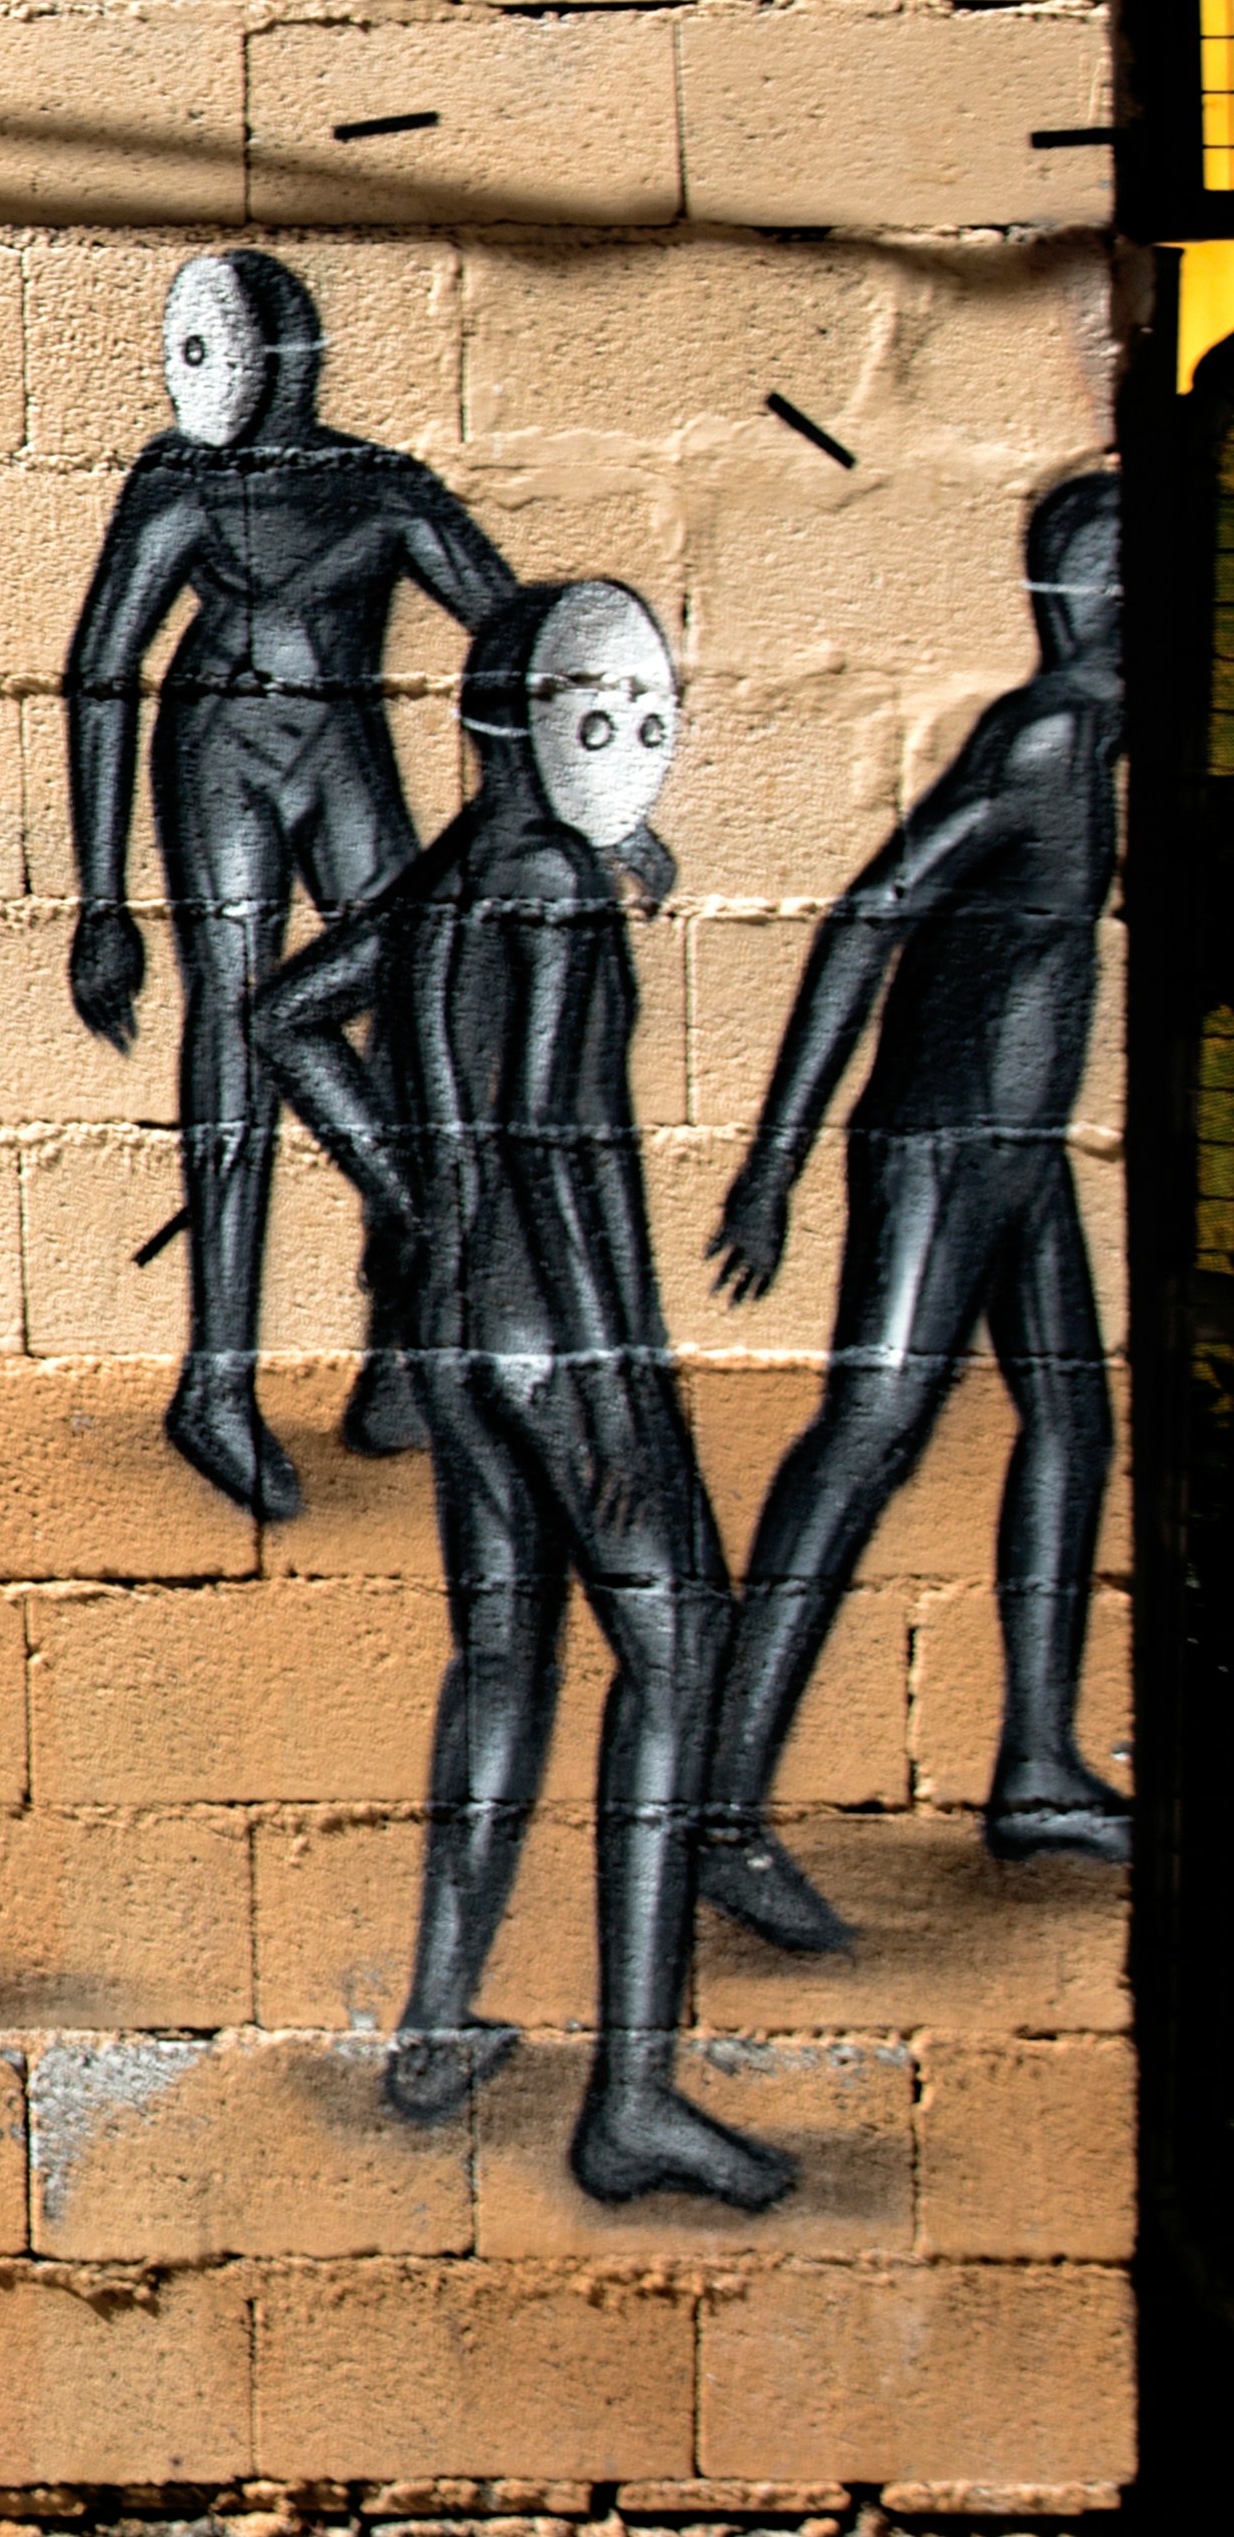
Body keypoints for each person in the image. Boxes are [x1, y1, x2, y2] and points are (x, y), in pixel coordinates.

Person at [263, 578, 789, 2211]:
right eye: (613, 712)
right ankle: (631, 2095)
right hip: (566, 1333)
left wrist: (415, 1200)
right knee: (677, 1648)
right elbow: (573, 1157)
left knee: (502, 1662)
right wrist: (630, 1399)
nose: (635, 741)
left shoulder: (456, 873)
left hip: (459, 1336)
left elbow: (285, 1019)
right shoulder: (551, 886)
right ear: (550, 720)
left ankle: (435, 2018)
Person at [701, 470, 1131, 1941]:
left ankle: (1036, 1766)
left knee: (1073, 1417)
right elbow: (867, 916)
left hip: (1021, 1155)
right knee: (865, 1441)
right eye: (1115, 572)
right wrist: (773, 1160)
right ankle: (719, 1811)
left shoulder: (1106, 735)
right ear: (1067, 596)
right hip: (943, 1147)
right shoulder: (1051, 732)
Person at [64, 250, 520, 1519]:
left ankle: (404, 1348)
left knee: (421, 1012)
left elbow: (515, 631)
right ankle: (217, 1384)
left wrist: (579, 799)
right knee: (236, 1029)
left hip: (343, 751)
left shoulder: (376, 485)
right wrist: (102, 902)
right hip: (222, 757)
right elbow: (104, 670)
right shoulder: (184, 480)